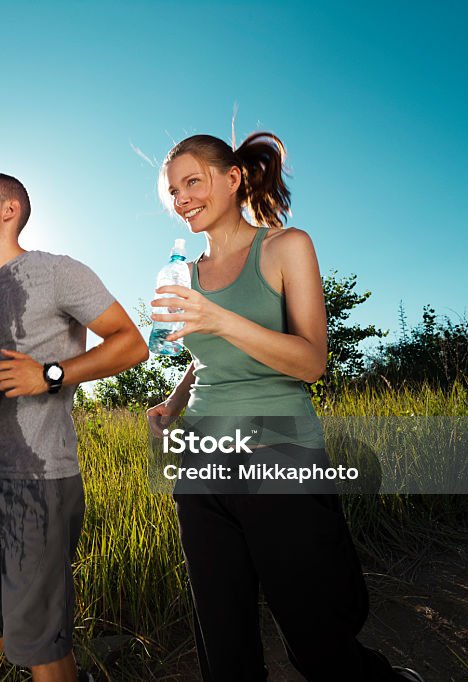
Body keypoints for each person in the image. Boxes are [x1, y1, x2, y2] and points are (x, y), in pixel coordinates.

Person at [146, 133, 424, 681]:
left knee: (316, 637)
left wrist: (218, 317)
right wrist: (172, 404)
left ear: (233, 179)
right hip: (201, 461)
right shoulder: (187, 273)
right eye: (172, 190)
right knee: (224, 645)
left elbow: (309, 360)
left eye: (192, 182)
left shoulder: (285, 247)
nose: (181, 199)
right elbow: (207, 356)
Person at [0, 171, 148, 682]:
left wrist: (51, 375)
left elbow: (132, 343)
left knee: (38, 641)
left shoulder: (59, 273)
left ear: (9, 209)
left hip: (39, 479)